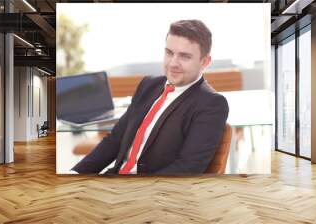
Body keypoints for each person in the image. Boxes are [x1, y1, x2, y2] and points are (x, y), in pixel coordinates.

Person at [72, 19, 229, 174]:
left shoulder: (211, 104)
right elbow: (115, 140)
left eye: (185, 56)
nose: (173, 63)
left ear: (205, 61)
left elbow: (188, 168)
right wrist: (76, 174)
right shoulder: (148, 85)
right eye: (169, 53)